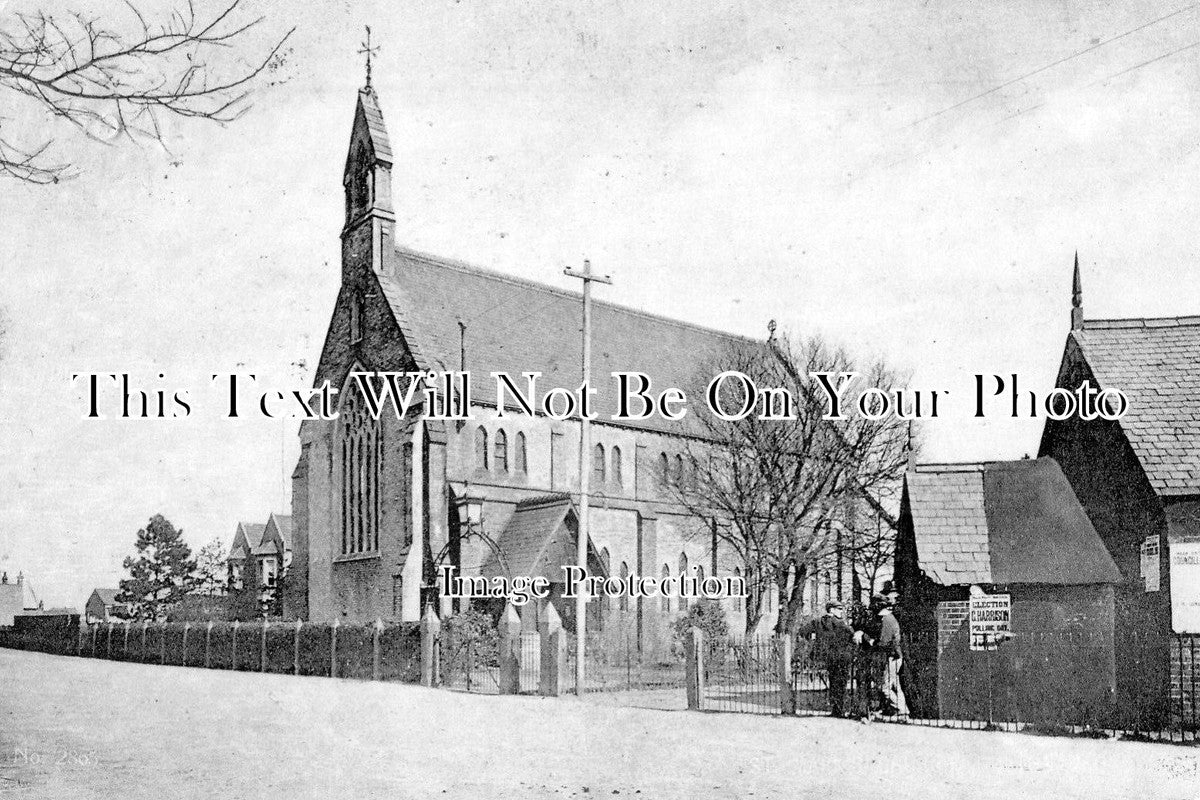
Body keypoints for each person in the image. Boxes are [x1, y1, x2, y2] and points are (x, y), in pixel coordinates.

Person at [812, 600, 854, 717]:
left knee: (833, 682)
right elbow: (852, 635)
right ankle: (839, 710)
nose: (842, 611)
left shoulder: (818, 622)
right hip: (842, 657)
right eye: (839, 609)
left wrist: (815, 641)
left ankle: (835, 709)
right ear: (832, 610)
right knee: (841, 683)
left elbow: (803, 631)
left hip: (829, 657)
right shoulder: (840, 623)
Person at [875, 581, 908, 719]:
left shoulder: (887, 620)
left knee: (885, 687)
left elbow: (884, 642)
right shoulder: (889, 618)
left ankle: (901, 709)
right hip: (896, 656)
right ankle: (902, 710)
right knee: (895, 685)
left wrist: (870, 641)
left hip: (892, 657)